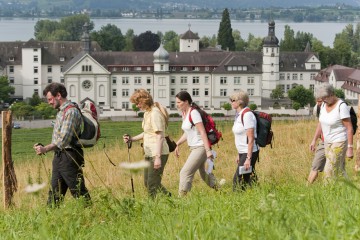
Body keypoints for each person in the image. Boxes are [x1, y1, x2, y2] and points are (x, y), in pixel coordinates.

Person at [33, 82, 91, 206]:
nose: (49, 102)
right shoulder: (61, 112)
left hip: (69, 157)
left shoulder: (71, 112)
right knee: (55, 195)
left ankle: (92, 216)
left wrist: (45, 148)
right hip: (59, 157)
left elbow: (63, 140)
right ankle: (50, 221)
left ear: (58, 95)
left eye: (50, 99)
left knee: (79, 192)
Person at [123, 89, 171, 198]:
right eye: (136, 103)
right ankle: (170, 198)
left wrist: (158, 157)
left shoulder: (155, 113)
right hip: (149, 153)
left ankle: (153, 207)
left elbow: (159, 135)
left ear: (145, 100)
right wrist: (131, 139)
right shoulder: (147, 113)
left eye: (138, 103)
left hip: (158, 153)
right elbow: (147, 133)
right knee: (147, 182)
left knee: (152, 184)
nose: (137, 106)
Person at [174, 91, 217, 197]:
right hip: (194, 147)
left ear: (186, 101)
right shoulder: (185, 113)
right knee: (204, 174)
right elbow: (187, 133)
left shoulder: (194, 113)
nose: (177, 105)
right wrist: (177, 143)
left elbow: (202, 131)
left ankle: (181, 199)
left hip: (201, 147)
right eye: (176, 102)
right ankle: (221, 191)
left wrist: (208, 151)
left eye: (179, 102)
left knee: (185, 172)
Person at [310, 83, 353, 182]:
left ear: (332, 94)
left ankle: (326, 194)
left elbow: (349, 128)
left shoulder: (341, 106)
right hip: (327, 142)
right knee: (340, 170)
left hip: (339, 141)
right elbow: (321, 123)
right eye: (322, 98)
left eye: (325, 97)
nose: (323, 100)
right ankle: (351, 191)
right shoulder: (324, 105)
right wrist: (314, 140)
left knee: (328, 170)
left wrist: (350, 148)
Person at [230, 90, 260, 191]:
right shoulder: (239, 115)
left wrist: (248, 158)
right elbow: (241, 138)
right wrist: (239, 154)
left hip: (249, 152)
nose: (231, 102)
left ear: (240, 102)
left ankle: (236, 200)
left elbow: (251, 138)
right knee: (247, 178)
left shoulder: (247, 115)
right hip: (243, 152)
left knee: (237, 178)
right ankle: (256, 194)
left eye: (233, 100)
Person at [307, 98, 326, 184]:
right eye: (317, 101)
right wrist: (314, 140)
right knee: (315, 166)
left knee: (337, 169)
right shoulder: (319, 110)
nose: (318, 103)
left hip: (335, 142)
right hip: (323, 141)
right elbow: (320, 124)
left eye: (320, 101)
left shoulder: (333, 108)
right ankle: (307, 187)